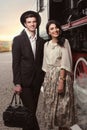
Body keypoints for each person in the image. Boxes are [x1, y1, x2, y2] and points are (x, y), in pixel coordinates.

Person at [12, 10, 45, 130]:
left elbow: (41, 62)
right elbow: (15, 63)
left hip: (36, 82)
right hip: (24, 83)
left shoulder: (41, 41)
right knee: (30, 112)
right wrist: (17, 83)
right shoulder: (18, 40)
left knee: (29, 114)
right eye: (29, 22)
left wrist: (42, 79)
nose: (32, 24)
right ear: (25, 24)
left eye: (34, 21)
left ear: (37, 23)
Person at [42, 20, 75, 130]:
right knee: (50, 107)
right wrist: (45, 82)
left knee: (62, 109)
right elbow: (45, 65)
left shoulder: (64, 42)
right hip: (49, 78)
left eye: (56, 27)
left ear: (59, 29)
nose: (55, 30)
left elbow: (65, 63)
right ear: (48, 32)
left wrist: (61, 81)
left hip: (62, 77)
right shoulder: (46, 45)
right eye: (52, 29)